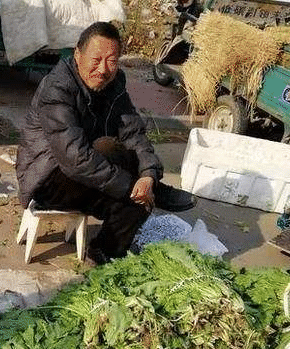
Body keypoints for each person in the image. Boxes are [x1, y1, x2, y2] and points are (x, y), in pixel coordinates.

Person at [16, 21, 195, 265]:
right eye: (96, 59)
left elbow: (133, 132)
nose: (103, 69)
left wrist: (147, 175)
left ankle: (106, 250)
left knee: (141, 193)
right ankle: (156, 190)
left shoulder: (114, 83)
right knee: (111, 153)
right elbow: (74, 159)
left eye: (111, 61)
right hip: (48, 178)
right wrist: (132, 184)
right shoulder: (57, 88)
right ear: (78, 55)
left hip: (89, 172)